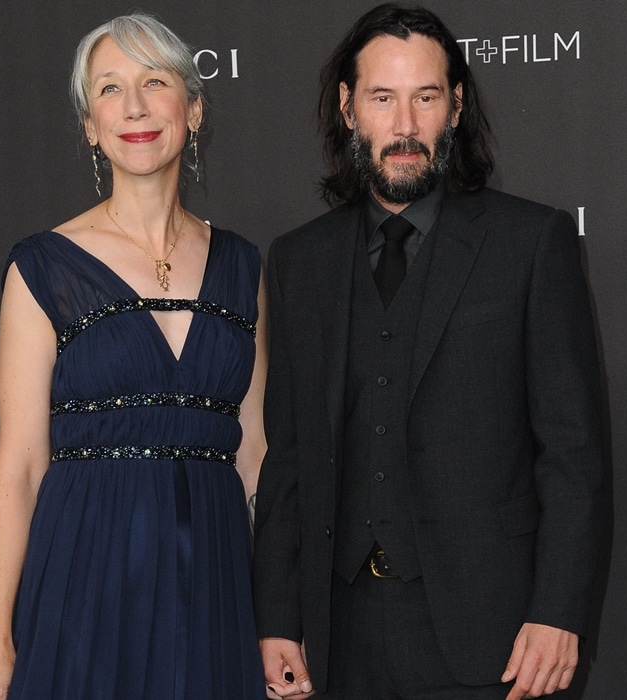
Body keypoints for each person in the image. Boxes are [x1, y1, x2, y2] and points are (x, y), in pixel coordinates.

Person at [252, 4, 603, 699]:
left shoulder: (530, 244)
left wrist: (558, 613)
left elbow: (573, 454)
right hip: (339, 638)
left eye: (426, 97)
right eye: (383, 98)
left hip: (496, 639)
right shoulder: (300, 262)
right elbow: (287, 459)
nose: (405, 124)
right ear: (350, 108)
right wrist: (278, 618)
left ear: (458, 105)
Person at [0, 13, 267, 700]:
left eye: (154, 82)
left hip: (215, 581)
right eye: (109, 89)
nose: (133, 107)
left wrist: (281, 617)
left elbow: (255, 455)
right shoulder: (42, 267)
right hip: (84, 577)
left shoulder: (243, 266)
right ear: (89, 124)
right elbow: (18, 466)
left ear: (192, 108)